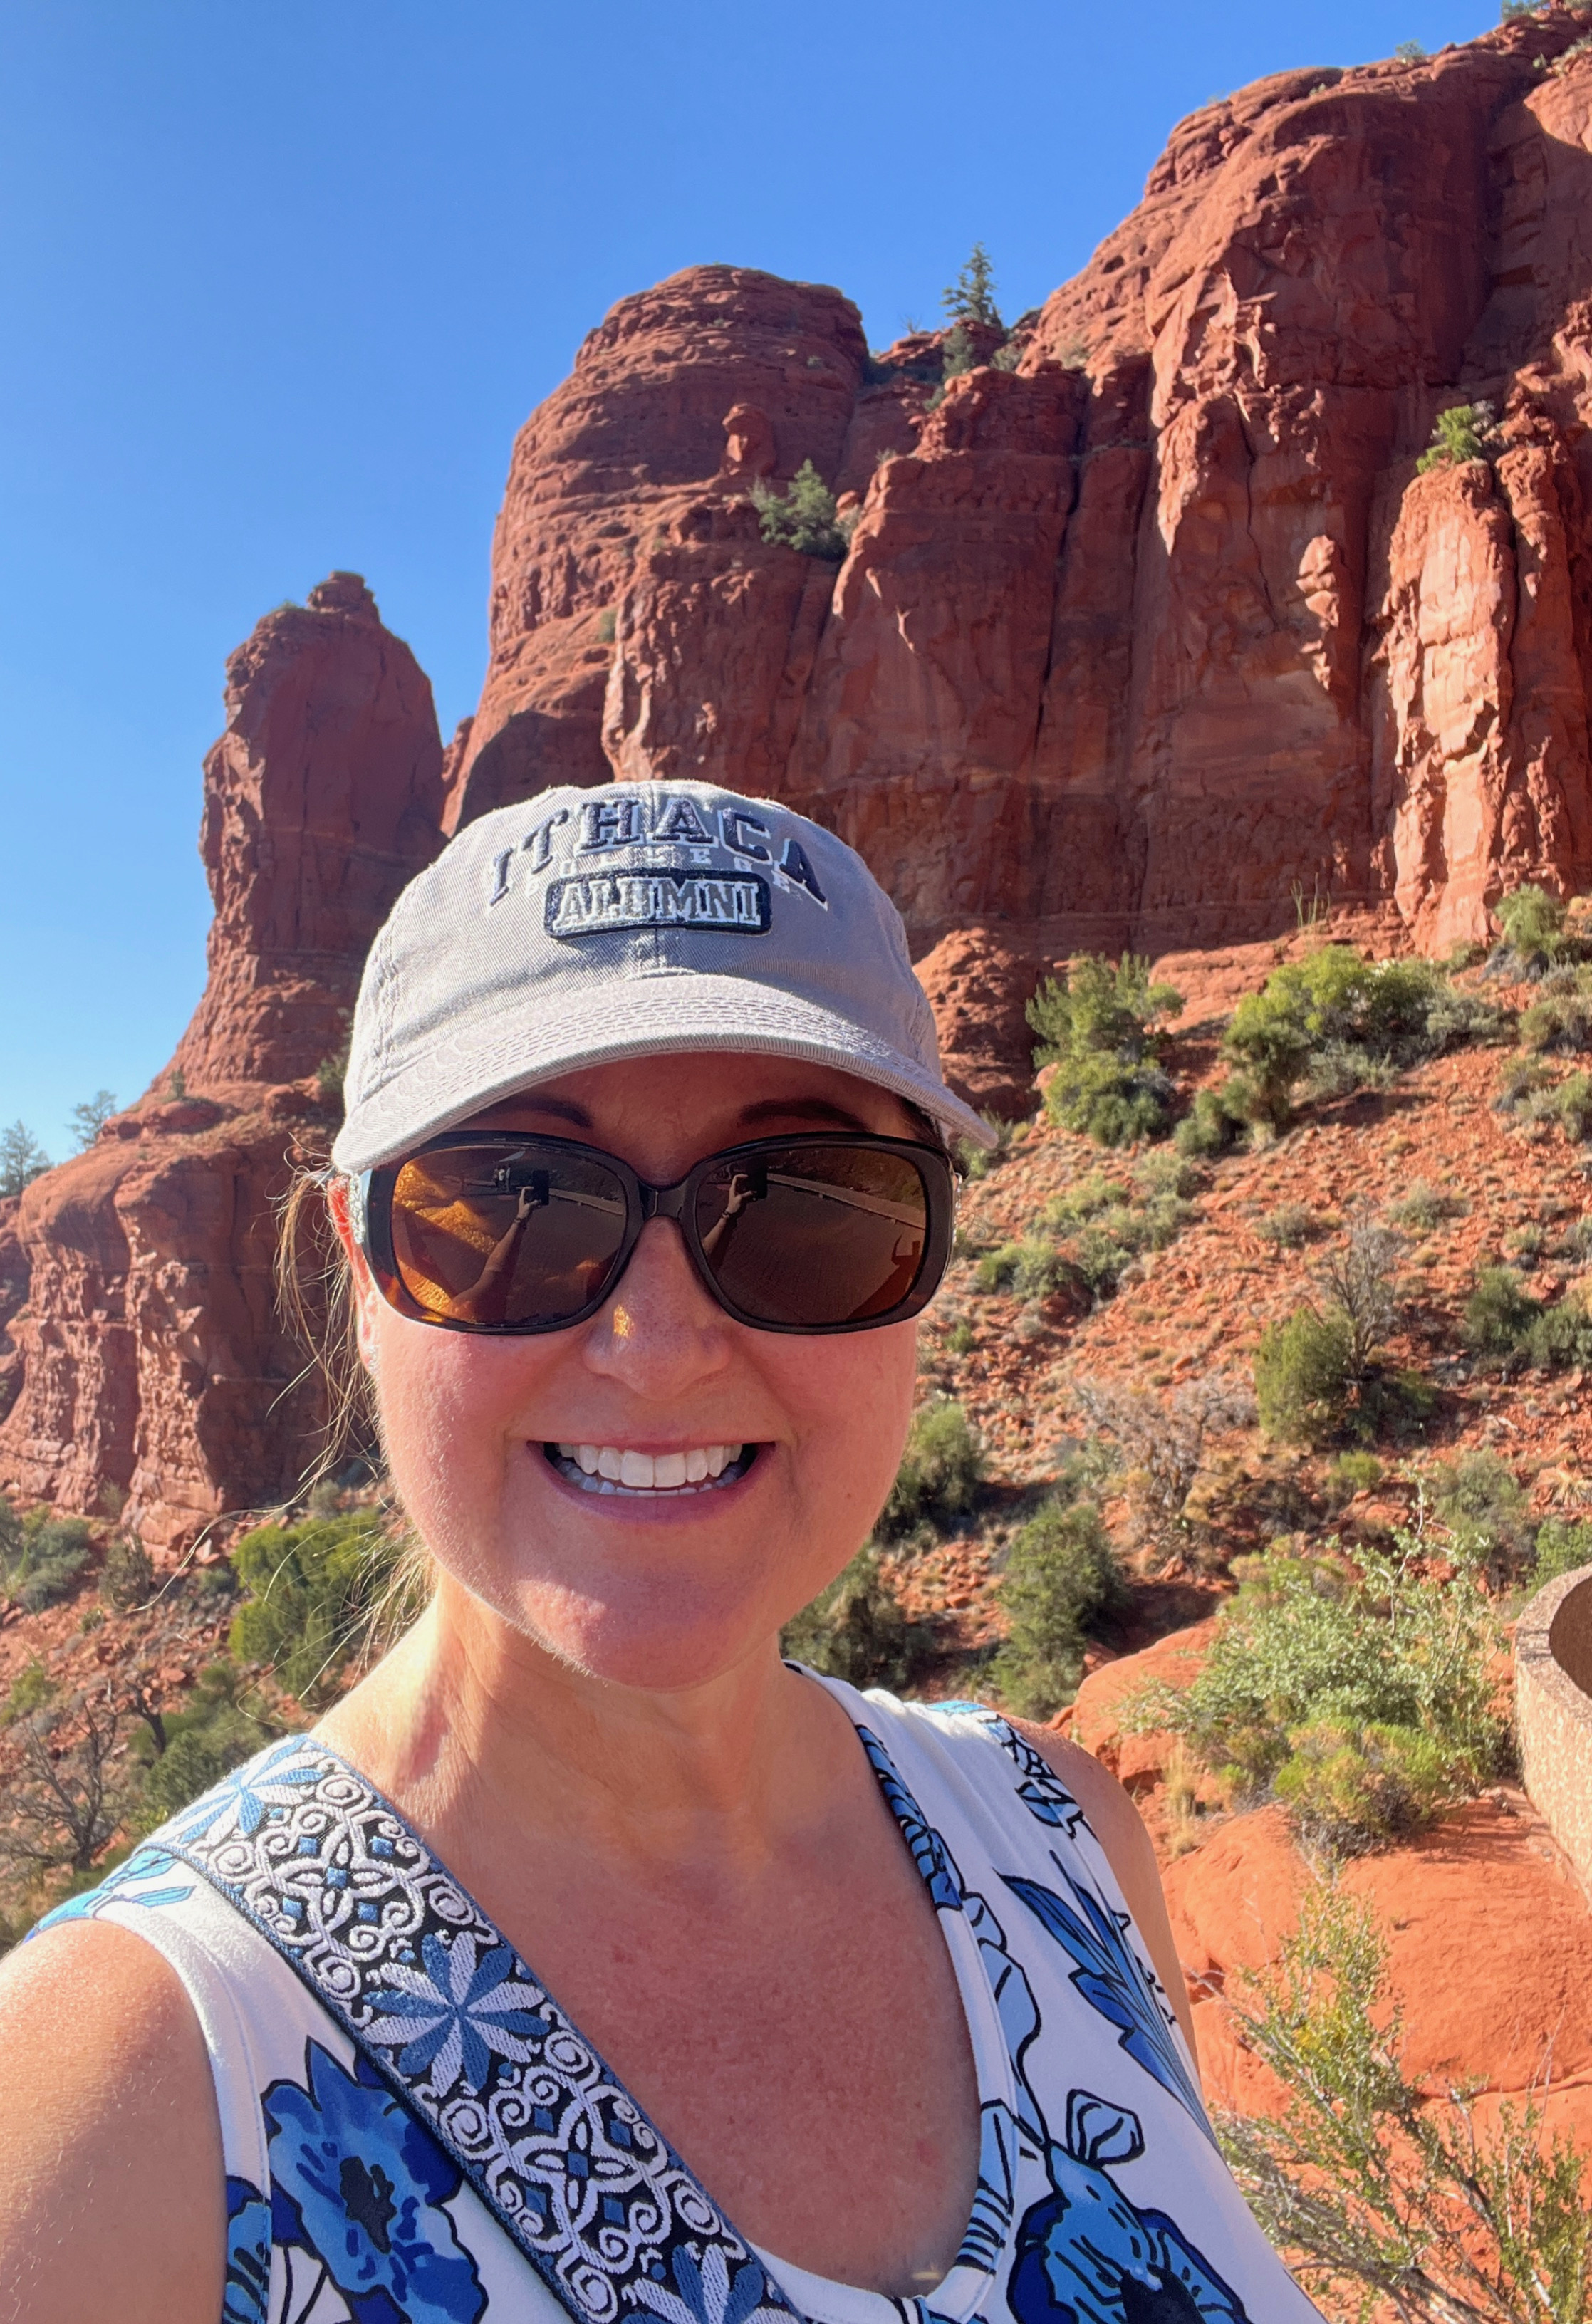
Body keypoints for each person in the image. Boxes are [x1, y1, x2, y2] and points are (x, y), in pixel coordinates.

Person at [0, 781, 1321, 2324]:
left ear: (921, 1265)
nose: (655, 1346)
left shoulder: (1060, 1846)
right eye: (510, 1203)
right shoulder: (116, 2105)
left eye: (804, 1207)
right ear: (361, 1270)